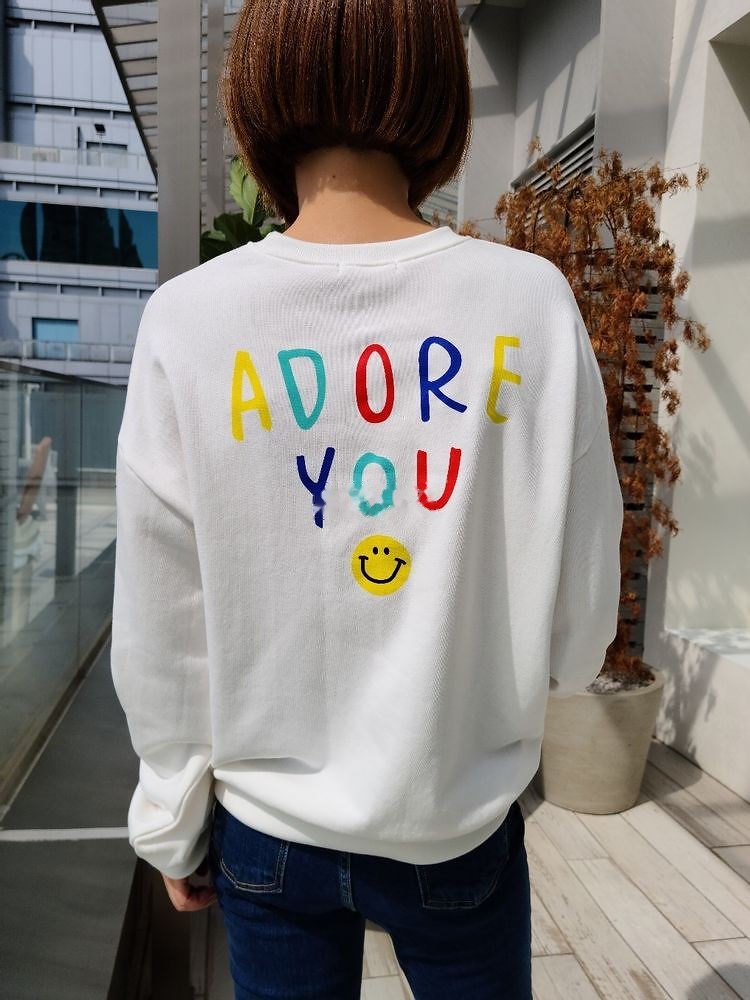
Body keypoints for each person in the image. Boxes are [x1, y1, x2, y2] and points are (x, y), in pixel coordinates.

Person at [110, 1, 624, 997]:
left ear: (260, 81)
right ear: (436, 81)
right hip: (454, 821)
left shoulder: (189, 320)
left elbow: (164, 626)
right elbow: (580, 606)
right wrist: (535, 675)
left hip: (269, 832)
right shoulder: (529, 303)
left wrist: (171, 819)